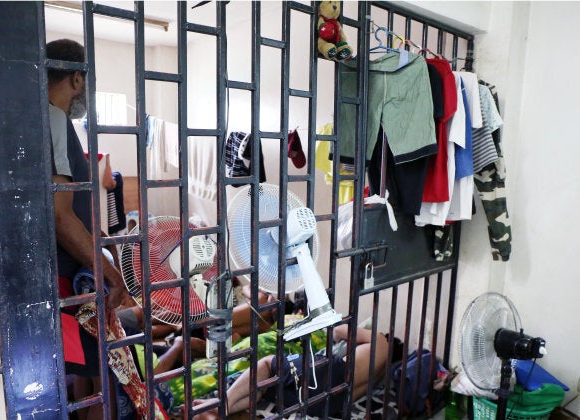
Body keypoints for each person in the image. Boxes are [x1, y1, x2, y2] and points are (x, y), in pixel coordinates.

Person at [47, 39, 145, 420]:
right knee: (99, 369)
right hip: (70, 274)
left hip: (69, 267)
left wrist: (97, 237)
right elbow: (59, 215)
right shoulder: (54, 119)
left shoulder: (50, 122)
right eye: (84, 82)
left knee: (90, 366)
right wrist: (110, 272)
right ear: (75, 79)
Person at [188, 324, 390, 419]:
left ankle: (224, 403)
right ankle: (219, 410)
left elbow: (337, 332)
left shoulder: (380, 341)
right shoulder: (377, 370)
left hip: (327, 375)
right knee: (267, 387)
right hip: (327, 404)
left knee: (268, 365)